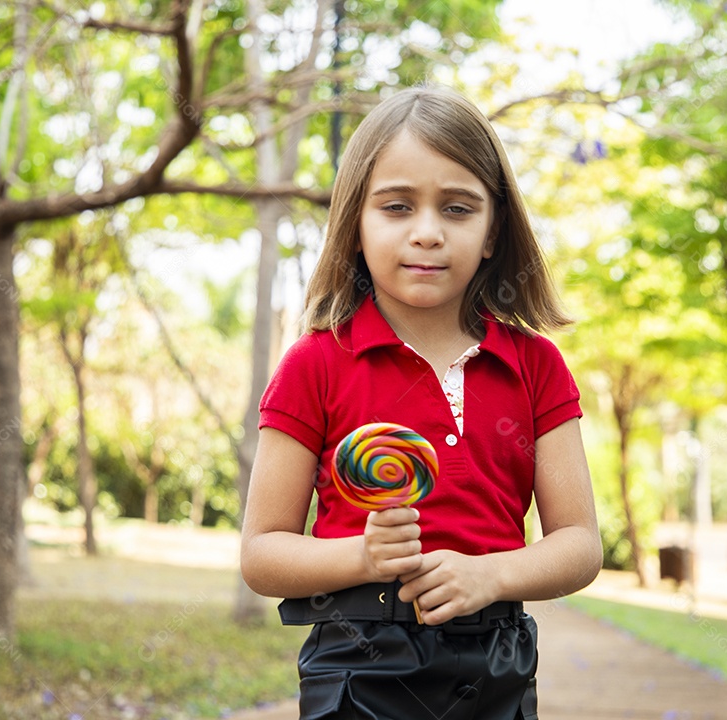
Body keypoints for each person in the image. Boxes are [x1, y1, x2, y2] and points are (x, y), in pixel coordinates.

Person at [240, 86, 601, 720]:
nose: (428, 233)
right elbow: (262, 554)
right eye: (397, 207)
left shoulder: (536, 367)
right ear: (356, 225)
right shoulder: (316, 365)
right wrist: (362, 554)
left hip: (495, 666)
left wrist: (491, 576)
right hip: (357, 667)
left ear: (493, 232)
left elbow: (579, 544)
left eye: (458, 209)